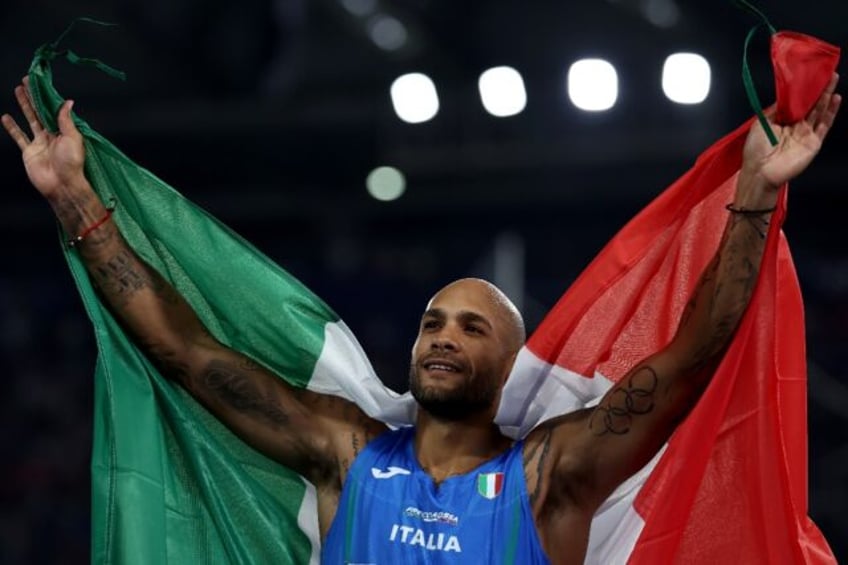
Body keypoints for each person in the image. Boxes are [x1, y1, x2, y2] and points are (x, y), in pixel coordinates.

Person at [2, 72, 841, 564]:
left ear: (510, 367)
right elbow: (187, 354)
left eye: (474, 327)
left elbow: (691, 360)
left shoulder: (548, 478)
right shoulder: (345, 451)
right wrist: (78, 200)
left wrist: (756, 198)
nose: (444, 333)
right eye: (435, 319)